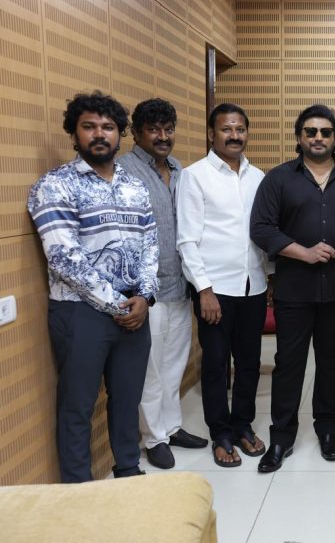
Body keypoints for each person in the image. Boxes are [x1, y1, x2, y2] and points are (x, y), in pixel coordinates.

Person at [27, 91, 158, 482]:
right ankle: (79, 490)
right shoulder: (54, 185)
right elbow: (65, 259)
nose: (100, 134)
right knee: (77, 406)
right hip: (80, 313)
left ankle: (129, 472)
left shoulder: (135, 187)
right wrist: (119, 305)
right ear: (74, 133)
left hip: (135, 311)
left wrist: (144, 296)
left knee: (127, 400)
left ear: (120, 134)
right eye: (89, 126)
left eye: (108, 127)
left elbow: (151, 246)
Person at [250, 104, 335, 472]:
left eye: (325, 132)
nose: (318, 138)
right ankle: (282, 436)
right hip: (293, 290)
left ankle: (327, 429)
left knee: (331, 364)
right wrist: (302, 252)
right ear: (299, 136)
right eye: (310, 131)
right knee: (289, 364)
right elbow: (261, 228)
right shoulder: (278, 179)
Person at [118, 98, 208, 470]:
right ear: (136, 132)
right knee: (151, 369)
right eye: (154, 129)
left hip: (179, 284)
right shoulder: (124, 171)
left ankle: (171, 427)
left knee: (174, 364)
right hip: (146, 289)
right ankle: (154, 437)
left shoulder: (178, 169)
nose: (163, 136)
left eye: (168, 129)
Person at [177, 103, 267, 468]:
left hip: (253, 286)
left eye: (240, 129)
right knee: (215, 365)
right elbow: (186, 240)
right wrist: (204, 289)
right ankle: (221, 434)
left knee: (249, 363)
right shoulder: (194, 176)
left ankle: (242, 425)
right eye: (226, 129)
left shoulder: (258, 177)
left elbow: (263, 233)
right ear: (211, 134)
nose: (234, 135)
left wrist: (270, 277)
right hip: (215, 290)